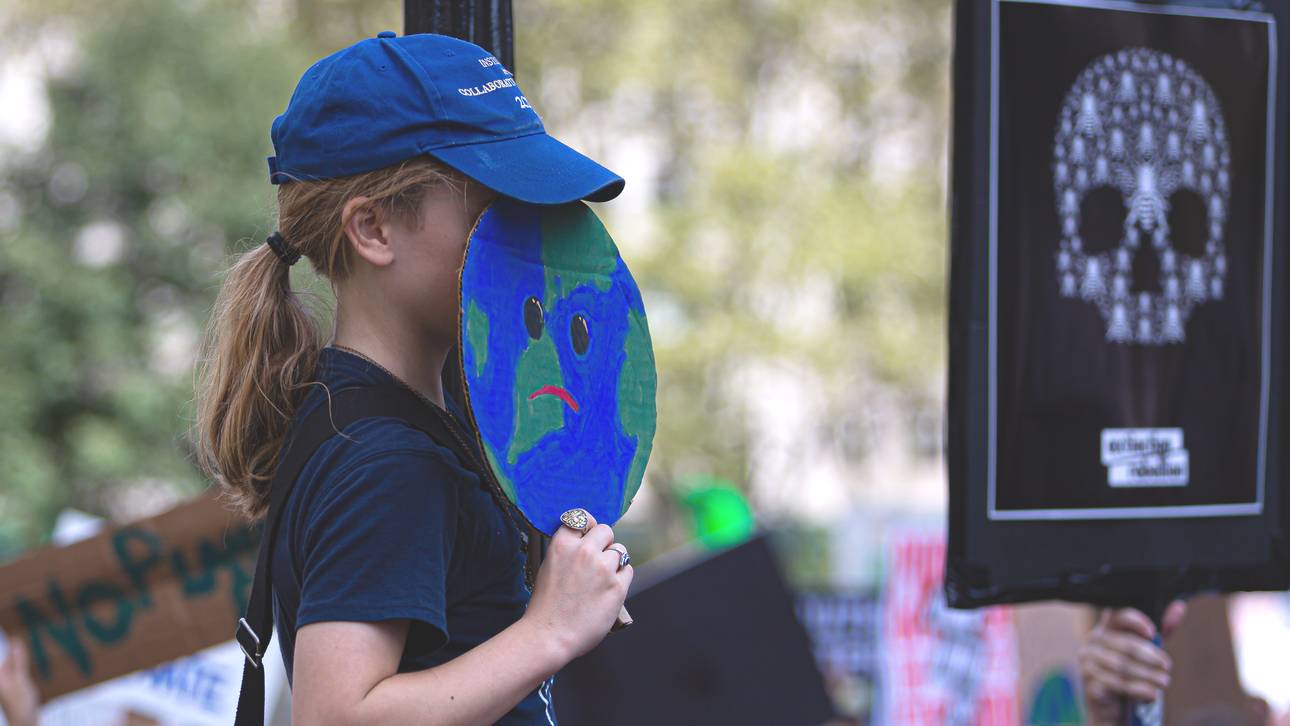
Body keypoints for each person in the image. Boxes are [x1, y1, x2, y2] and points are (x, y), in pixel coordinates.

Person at [194, 31, 633, 724]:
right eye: (496, 208)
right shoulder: (388, 461)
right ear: (373, 229)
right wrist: (548, 631)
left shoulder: (388, 417)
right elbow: (336, 716)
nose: (534, 238)